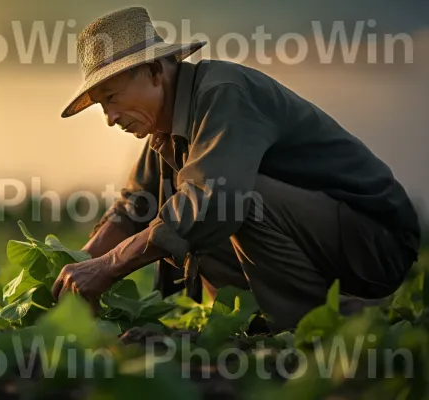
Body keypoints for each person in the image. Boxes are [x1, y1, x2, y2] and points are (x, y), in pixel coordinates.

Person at [52, 7, 421, 331]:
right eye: (102, 106)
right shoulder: (163, 129)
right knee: (184, 214)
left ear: (153, 71)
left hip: (376, 243)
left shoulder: (223, 93)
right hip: (326, 239)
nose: (110, 119)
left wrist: (109, 267)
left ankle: (305, 322)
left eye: (112, 99)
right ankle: (262, 319)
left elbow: (214, 201)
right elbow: (132, 208)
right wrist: (77, 268)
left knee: (222, 203)